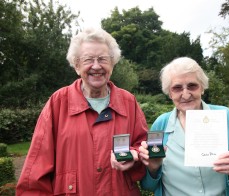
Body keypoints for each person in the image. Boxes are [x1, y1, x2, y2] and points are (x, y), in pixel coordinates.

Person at [16, 28, 148, 196]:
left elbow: (143, 145)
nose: (96, 66)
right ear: (77, 65)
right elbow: (35, 171)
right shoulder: (58, 103)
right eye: (88, 59)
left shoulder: (128, 102)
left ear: (112, 64)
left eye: (103, 59)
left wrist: (134, 155)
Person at [139, 57, 229, 196]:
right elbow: (147, 185)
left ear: (202, 88)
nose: (186, 94)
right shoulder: (160, 125)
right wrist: (152, 167)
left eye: (192, 86)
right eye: (177, 88)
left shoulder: (225, 117)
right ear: (170, 93)